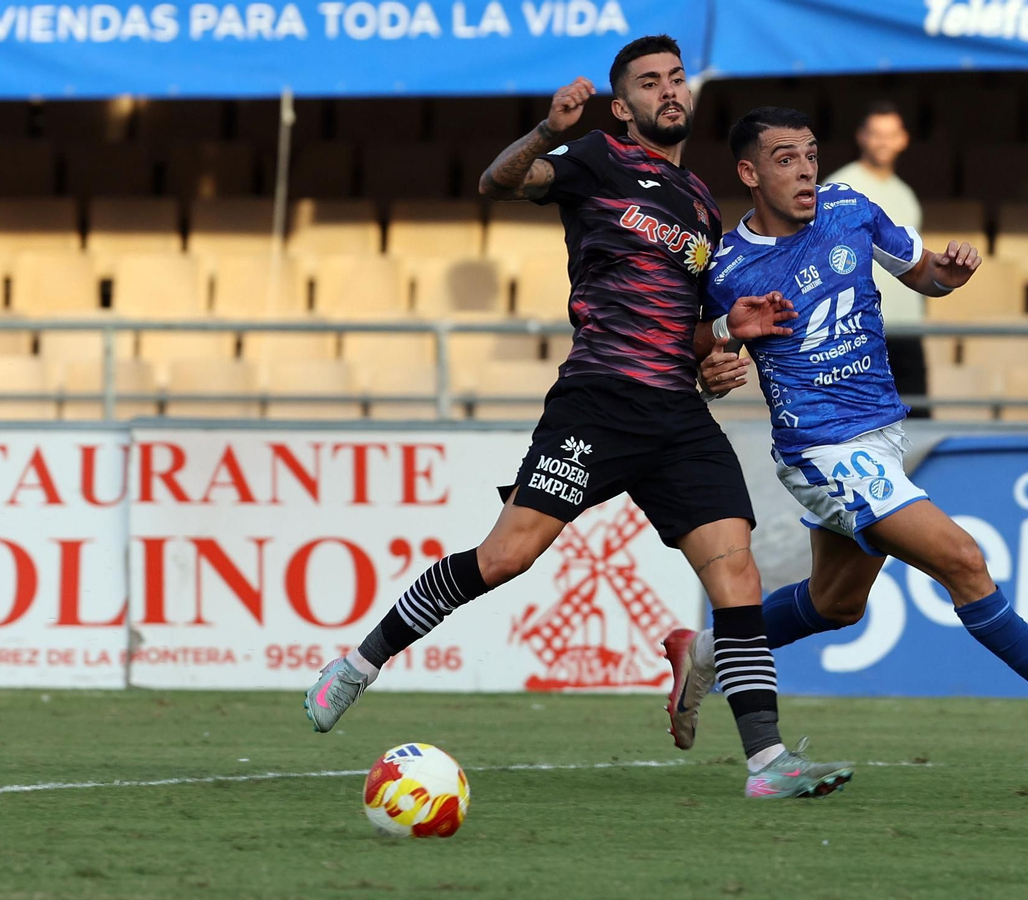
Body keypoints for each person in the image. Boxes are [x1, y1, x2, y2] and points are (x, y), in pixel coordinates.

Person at [303, 38, 854, 801]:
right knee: (505, 558)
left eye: (675, 78)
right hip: (599, 402)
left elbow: (689, 331)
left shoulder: (700, 203)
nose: (668, 90)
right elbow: (496, 182)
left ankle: (766, 763)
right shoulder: (595, 159)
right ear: (621, 106)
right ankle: (360, 663)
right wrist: (547, 130)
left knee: (737, 569)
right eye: (648, 83)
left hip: (676, 415)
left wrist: (724, 345)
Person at [663, 107, 1028, 753]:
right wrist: (716, 361)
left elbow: (922, 272)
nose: (806, 170)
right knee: (963, 560)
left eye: (811, 154)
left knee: (834, 605)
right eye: (786, 158)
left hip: (880, 436)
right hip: (823, 448)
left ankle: (702, 651)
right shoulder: (728, 265)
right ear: (749, 172)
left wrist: (946, 277)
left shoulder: (851, 209)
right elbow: (690, 347)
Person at [824, 102, 929, 416]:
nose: (883, 142)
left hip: (907, 330)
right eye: (876, 134)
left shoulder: (906, 195)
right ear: (862, 137)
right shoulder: (839, 187)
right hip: (859, 329)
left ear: (903, 139)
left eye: (891, 134)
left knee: (918, 423)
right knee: (862, 422)